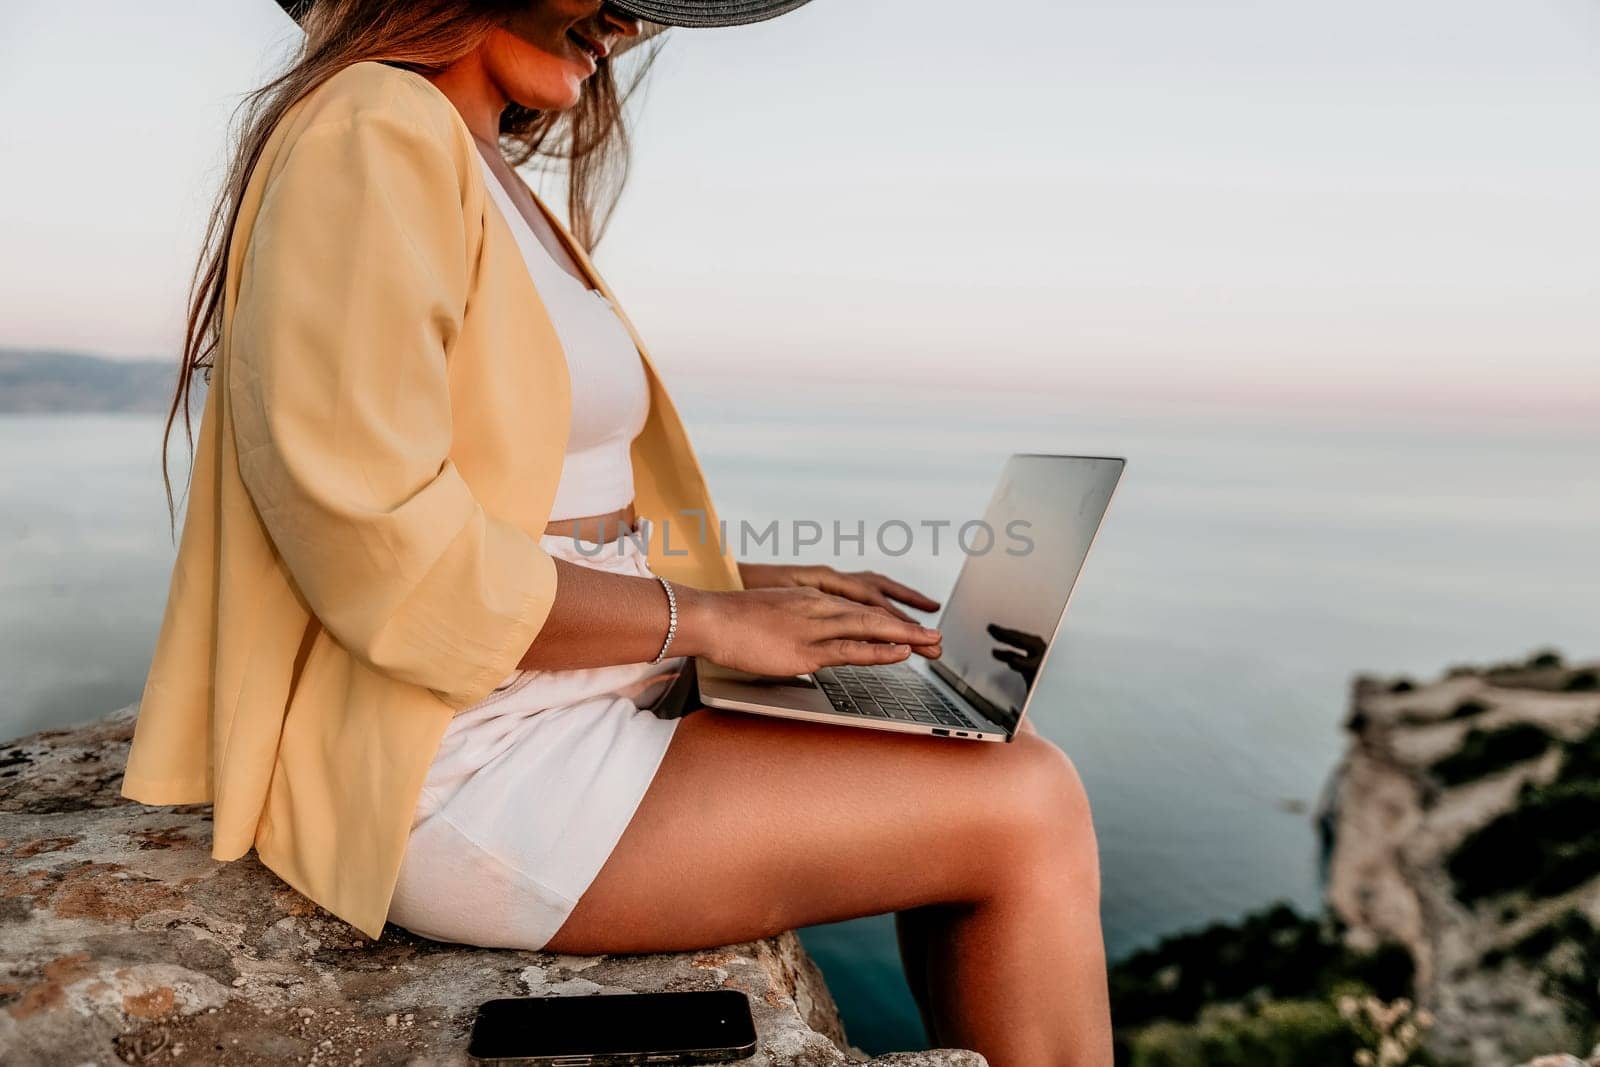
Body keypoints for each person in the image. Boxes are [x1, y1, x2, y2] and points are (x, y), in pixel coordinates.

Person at [123, 2, 1112, 1062]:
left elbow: (529, 504)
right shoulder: (370, 127)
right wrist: (712, 621)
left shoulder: (477, 159)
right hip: (467, 759)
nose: (633, 18)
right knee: (1026, 803)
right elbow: (389, 552)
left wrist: (764, 589)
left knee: (987, 747)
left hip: (582, 689)